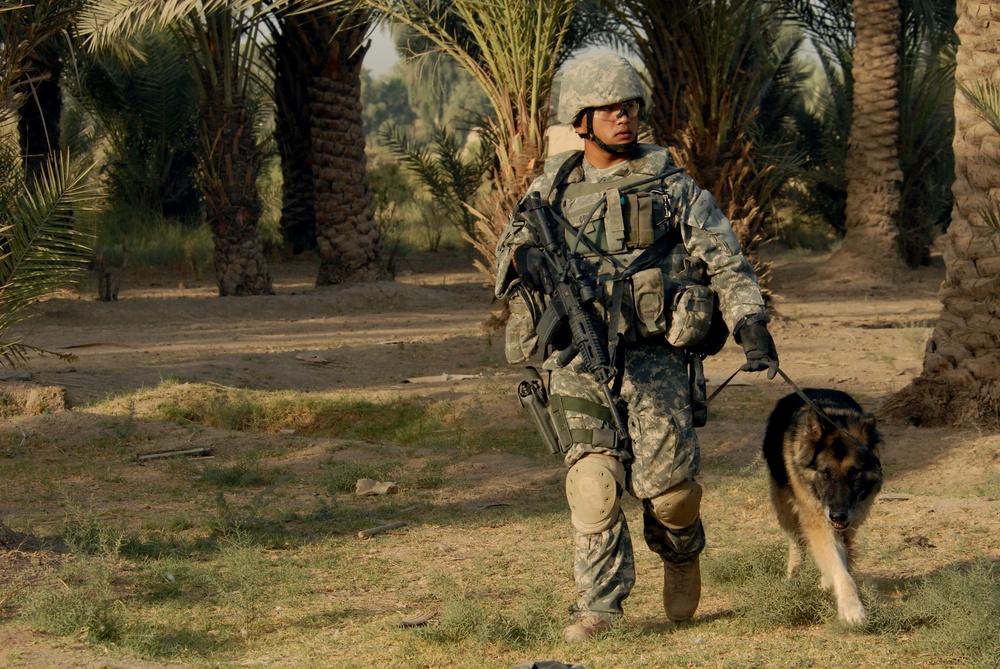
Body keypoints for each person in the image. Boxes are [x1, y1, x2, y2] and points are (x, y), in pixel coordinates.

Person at [494, 53, 778, 642]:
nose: (623, 118)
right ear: (581, 121)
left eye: (629, 108)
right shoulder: (550, 191)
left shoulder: (671, 186)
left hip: (656, 357)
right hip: (576, 356)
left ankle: (681, 553)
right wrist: (526, 258)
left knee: (670, 493)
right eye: (609, 110)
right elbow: (507, 253)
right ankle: (599, 608)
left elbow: (724, 258)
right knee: (593, 484)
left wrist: (749, 322)